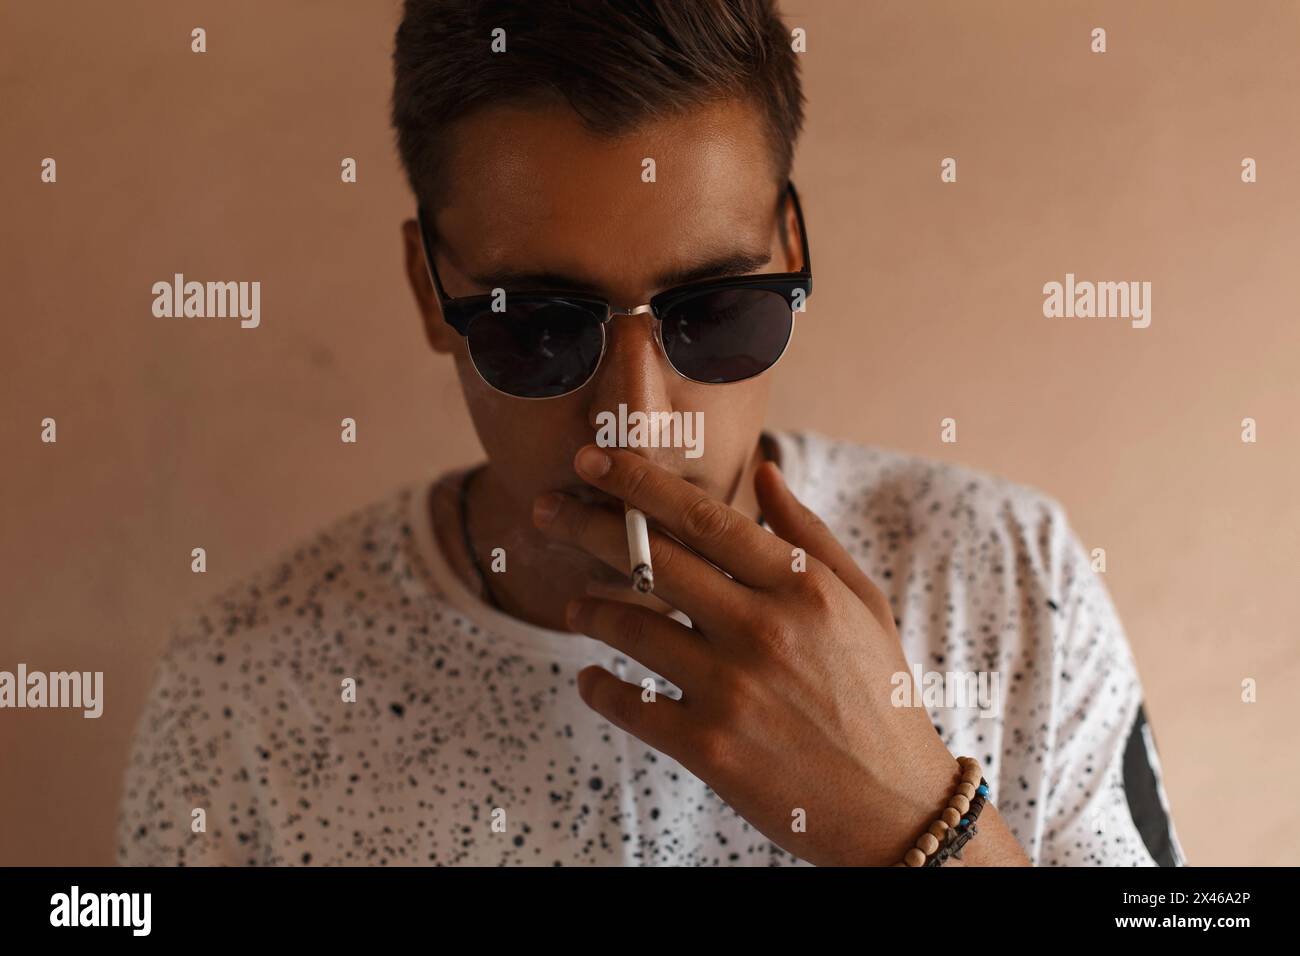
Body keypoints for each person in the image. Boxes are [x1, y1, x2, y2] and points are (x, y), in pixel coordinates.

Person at [117, 0, 1184, 866]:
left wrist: (910, 821)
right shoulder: (246, 686)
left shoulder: (1002, 573)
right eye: (537, 325)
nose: (637, 410)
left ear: (792, 246)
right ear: (426, 286)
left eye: (714, 311)